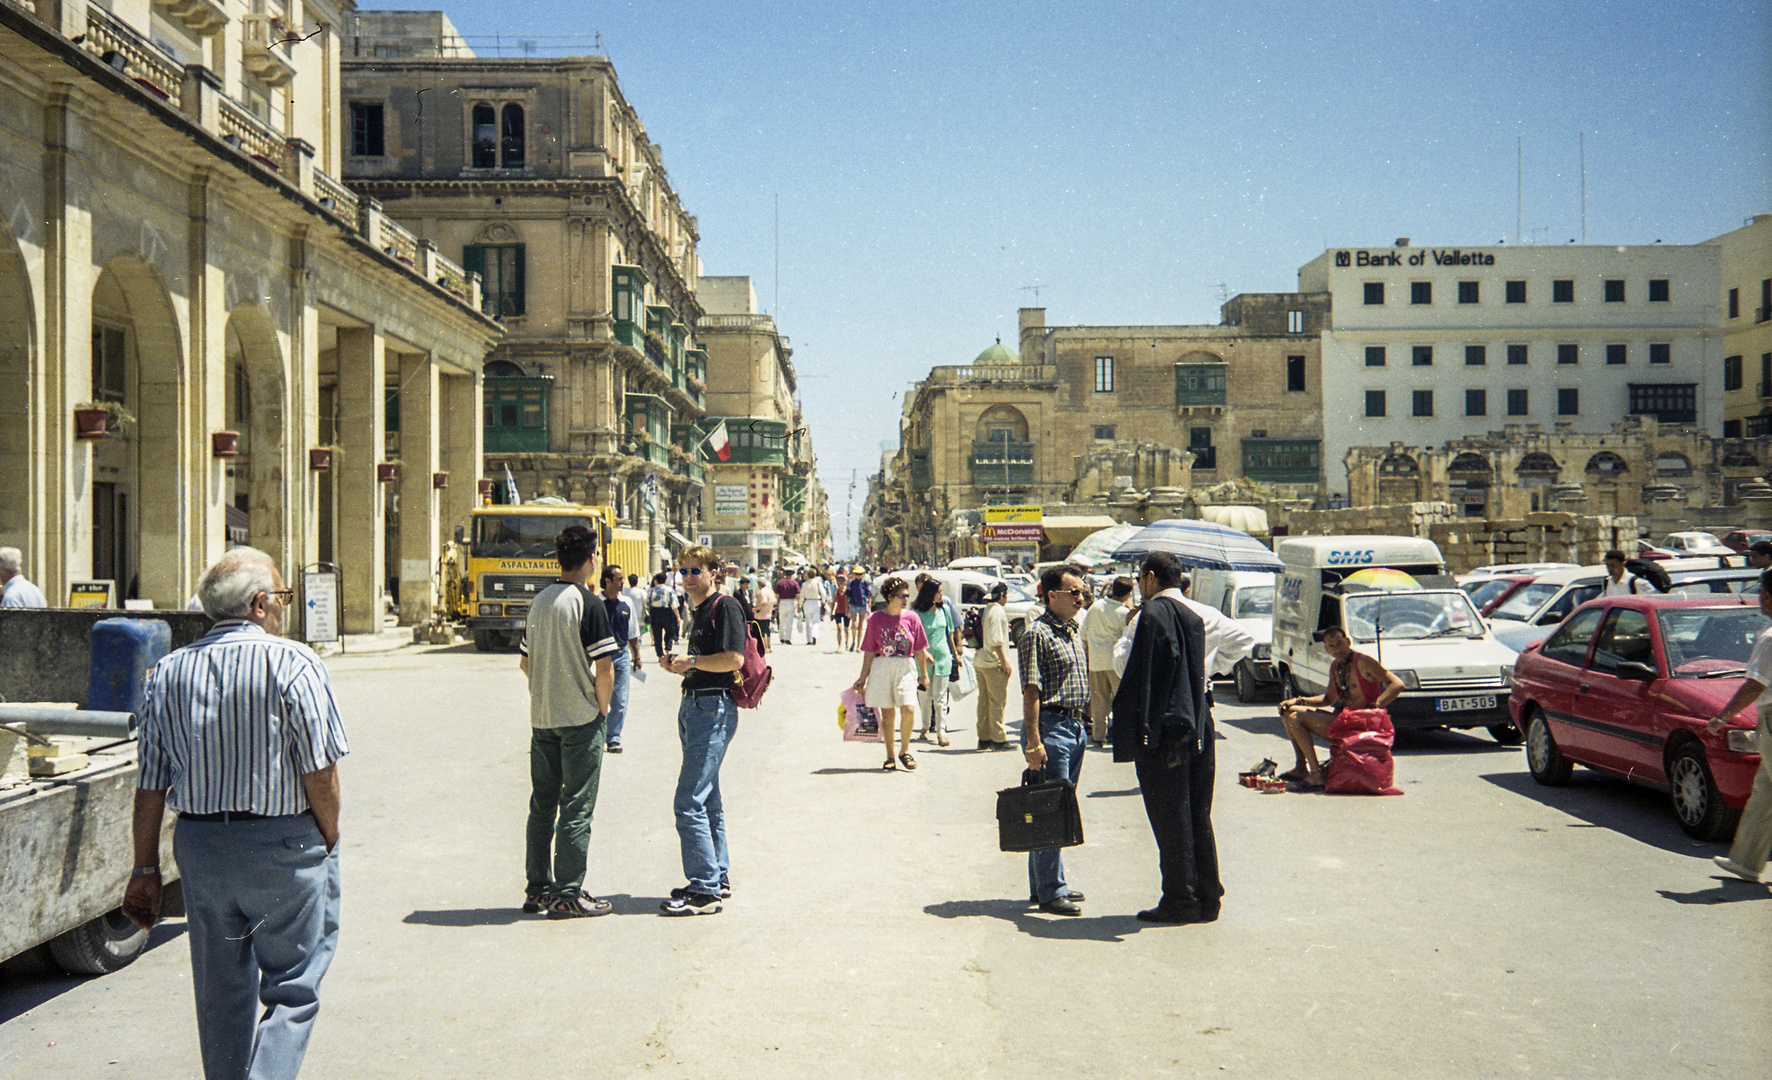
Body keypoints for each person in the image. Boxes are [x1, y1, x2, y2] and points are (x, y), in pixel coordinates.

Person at [123, 547, 348, 1079]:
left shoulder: (166, 673)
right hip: (282, 849)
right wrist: (329, 840)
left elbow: (150, 785)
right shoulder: (294, 662)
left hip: (202, 851)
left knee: (221, 995)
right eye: (281, 599)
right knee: (293, 988)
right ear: (259, 602)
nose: (282, 609)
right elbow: (321, 772)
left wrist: (144, 869)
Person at [1112, 551, 1224, 924]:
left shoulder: (1152, 615)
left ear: (1148, 576)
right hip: (1197, 725)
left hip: (1165, 732)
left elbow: (1140, 677)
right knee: (1197, 814)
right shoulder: (1194, 617)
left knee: (1169, 816)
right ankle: (1208, 896)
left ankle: (1179, 899)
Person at [519, 526, 619, 918]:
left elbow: (525, 662)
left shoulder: (539, 602)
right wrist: (602, 708)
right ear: (593, 558)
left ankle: (538, 889)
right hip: (580, 719)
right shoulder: (587, 603)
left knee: (541, 805)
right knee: (577, 806)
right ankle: (568, 892)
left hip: (542, 719)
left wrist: (548, 690)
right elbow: (605, 667)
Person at [660, 545, 747, 915]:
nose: (689, 577)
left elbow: (733, 659)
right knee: (707, 796)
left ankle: (705, 890)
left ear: (714, 572)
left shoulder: (724, 606)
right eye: (684, 571)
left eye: (696, 571)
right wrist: (680, 665)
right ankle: (717, 875)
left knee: (688, 800)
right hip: (695, 704)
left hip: (712, 707)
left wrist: (691, 661)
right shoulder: (699, 610)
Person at [1019, 563, 1093, 916]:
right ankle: (1051, 890)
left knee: (1054, 809)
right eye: (1074, 592)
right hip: (1051, 728)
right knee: (1052, 811)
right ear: (1052, 596)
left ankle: (1045, 883)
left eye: (1083, 591)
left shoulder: (1072, 630)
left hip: (1074, 727)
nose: (1082, 598)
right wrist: (1034, 741)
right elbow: (1031, 691)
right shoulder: (1038, 634)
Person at [1703, 568, 1772, 883]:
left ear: (1767, 597)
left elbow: (1755, 685)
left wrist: (1722, 717)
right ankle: (1746, 861)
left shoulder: (1769, 638)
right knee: (1764, 792)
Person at [1278, 624, 1405, 788]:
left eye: (1340, 644)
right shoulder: (1335, 666)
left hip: (1362, 724)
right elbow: (1328, 699)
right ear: (1326, 649)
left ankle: (1316, 773)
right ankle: (1301, 767)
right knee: (1288, 710)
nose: (1337, 649)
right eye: (1332, 646)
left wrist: (1377, 704)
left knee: (1296, 717)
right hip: (1344, 720)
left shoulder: (1363, 661)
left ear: (1348, 642)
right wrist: (1298, 701)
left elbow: (1398, 684)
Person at [853, 576, 933, 771]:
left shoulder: (912, 618)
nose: (905, 599)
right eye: (900, 596)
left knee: (909, 708)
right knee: (888, 715)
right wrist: (863, 676)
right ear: (889, 597)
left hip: (905, 666)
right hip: (882, 667)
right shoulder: (875, 619)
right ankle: (890, 755)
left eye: (907, 595)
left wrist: (924, 674)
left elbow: (921, 648)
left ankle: (904, 751)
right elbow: (870, 650)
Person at [1083, 577, 1133, 747]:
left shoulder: (1095, 607)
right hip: (1115, 663)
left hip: (1095, 662)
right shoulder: (1123, 613)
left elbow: (1084, 635)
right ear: (1127, 594)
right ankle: (1119, 733)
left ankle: (1099, 735)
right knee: (1120, 700)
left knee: (1099, 701)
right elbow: (1128, 637)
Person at [599, 564, 643, 754]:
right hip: (600, 657)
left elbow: (632, 632)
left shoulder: (626, 603)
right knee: (598, 697)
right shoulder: (596, 603)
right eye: (620, 579)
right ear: (608, 581)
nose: (623, 582)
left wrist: (637, 656)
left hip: (622, 655)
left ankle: (613, 738)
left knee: (620, 699)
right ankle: (596, 735)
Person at [911, 576, 956, 747]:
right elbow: (913, 638)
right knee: (925, 697)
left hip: (943, 659)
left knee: (940, 699)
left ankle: (941, 733)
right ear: (930, 593)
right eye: (939, 592)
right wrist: (923, 654)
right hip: (924, 661)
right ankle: (924, 728)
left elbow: (949, 633)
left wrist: (955, 655)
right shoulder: (917, 614)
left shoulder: (944, 611)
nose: (941, 595)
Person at [975, 582, 1016, 751]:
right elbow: (996, 641)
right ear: (1001, 595)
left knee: (984, 700)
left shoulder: (986, 609)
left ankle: (984, 738)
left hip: (980, 661)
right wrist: (1004, 662)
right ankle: (999, 739)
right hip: (993, 663)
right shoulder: (998, 611)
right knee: (997, 702)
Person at [648, 571, 680, 660]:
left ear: (656, 580)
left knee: (657, 635)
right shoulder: (669, 590)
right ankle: (668, 649)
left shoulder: (651, 590)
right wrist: (677, 616)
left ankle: (659, 654)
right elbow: (674, 604)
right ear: (665, 580)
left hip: (655, 612)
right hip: (667, 612)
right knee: (669, 631)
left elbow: (648, 603)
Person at [845, 570, 874, 652]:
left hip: (863, 604)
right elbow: (847, 595)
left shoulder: (866, 583)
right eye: (857, 574)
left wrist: (869, 606)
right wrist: (846, 607)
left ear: (863, 574)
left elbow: (869, 595)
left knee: (861, 626)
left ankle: (859, 645)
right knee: (854, 625)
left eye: (860, 574)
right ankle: (854, 641)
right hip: (853, 604)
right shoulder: (851, 583)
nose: (858, 576)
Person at [774, 569, 801, 644]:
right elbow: (797, 594)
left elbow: (777, 595)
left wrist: (776, 604)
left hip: (782, 602)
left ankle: (782, 637)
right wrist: (798, 604)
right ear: (792, 575)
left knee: (782, 620)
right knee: (789, 621)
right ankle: (788, 638)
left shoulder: (780, 582)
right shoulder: (794, 583)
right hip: (791, 602)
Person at [802, 570, 828, 646]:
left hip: (807, 602)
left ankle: (809, 639)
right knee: (816, 621)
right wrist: (824, 602)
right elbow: (823, 593)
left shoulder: (804, 584)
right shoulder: (818, 583)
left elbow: (801, 595)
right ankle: (815, 636)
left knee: (808, 621)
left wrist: (800, 605)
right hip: (816, 602)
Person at [751, 577, 777, 652]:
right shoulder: (770, 591)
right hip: (768, 614)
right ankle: (769, 646)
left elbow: (764, 602)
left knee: (761, 632)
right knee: (767, 631)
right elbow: (774, 601)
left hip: (761, 615)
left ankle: (764, 647)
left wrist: (756, 609)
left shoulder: (761, 592)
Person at [832, 571, 852, 650]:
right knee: (839, 628)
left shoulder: (848, 591)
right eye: (839, 580)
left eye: (842, 580)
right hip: (838, 611)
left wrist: (850, 610)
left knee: (846, 629)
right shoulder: (836, 591)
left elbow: (850, 601)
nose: (841, 582)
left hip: (846, 611)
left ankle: (847, 643)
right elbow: (834, 601)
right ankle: (839, 645)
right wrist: (832, 612)